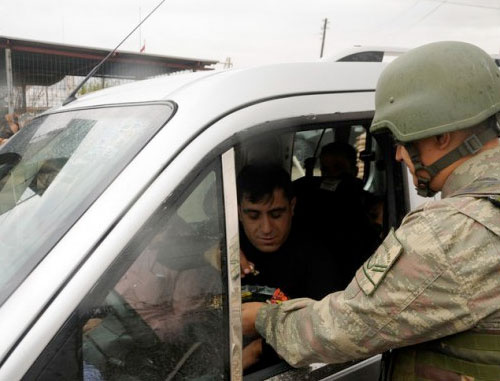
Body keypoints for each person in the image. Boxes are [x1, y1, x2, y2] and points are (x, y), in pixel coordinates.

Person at [242, 41, 500, 380]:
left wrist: (261, 319)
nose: (397, 157)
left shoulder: (448, 234)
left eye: (403, 142)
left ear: (442, 137)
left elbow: (343, 327)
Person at [237, 164, 343, 370]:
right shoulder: (228, 246)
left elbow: (329, 330)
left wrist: (257, 351)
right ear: (239, 213)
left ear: (292, 207)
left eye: (276, 214)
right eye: (253, 216)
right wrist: (210, 255)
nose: (266, 228)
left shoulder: (316, 259)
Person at [293, 142, 381, 288]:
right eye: (326, 170)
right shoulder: (311, 200)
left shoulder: (368, 204)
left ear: (354, 170)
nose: (332, 175)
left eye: (339, 168)